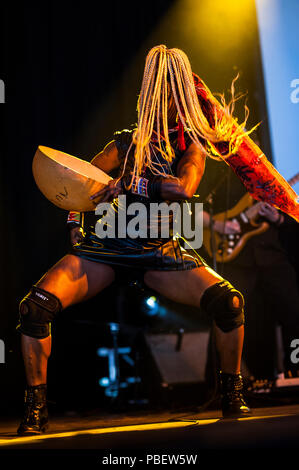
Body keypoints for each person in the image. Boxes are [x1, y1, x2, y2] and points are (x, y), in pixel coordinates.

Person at [18, 44, 295, 435]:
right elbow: (79, 182)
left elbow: (183, 190)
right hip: (109, 248)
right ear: (148, 94)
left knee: (230, 303)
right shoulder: (125, 143)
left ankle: (230, 393)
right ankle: (35, 409)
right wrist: (74, 221)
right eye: (157, 92)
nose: (164, 100)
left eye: (171, 92)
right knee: (35, 308)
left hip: (160, 252)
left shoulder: (191, 146)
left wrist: (135, 182)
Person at [199, 157, 299, 379]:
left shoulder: (270, 172)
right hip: (236, 259)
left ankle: (295, 373)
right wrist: (217, 224)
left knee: (293, 312)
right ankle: (219, 381)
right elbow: (192, 208)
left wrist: (278, 219)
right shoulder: (218, 171)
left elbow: (287, 219)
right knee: (226, 313)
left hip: (272, 254)